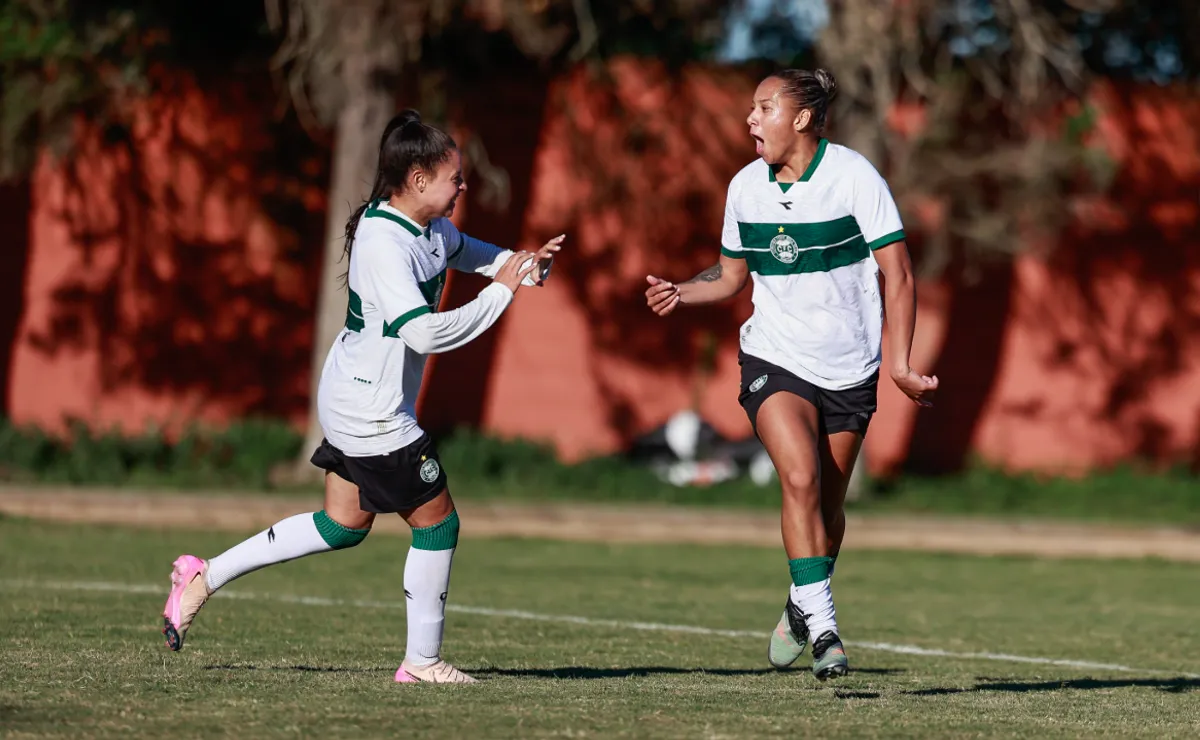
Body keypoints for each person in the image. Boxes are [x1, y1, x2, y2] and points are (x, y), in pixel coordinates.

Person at [161, 109, 563, 685]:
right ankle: (422, 663)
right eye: (456, 178)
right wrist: (502, 295)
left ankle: (203, 575)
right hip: (372, 413)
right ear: (419, 181)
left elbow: (474, 252)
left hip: (354, 397)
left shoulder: (427, 228)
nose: (463, 187)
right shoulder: (382, 243)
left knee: (342, 525)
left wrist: (523, 266)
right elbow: (422, 332)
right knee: (438, 525)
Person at [643, 69, 937, 680]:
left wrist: (901, 363)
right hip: (774, 357)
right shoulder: (745, 188)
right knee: (799, 477)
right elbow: (729, 277)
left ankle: (800, 605)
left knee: (827, 508)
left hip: (851, 367)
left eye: (763, 107)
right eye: (751, 107)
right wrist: (682, 290)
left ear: (800, 118)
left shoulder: (854, 177)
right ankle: (826, 629)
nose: (750, 118)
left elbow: (900, 275)